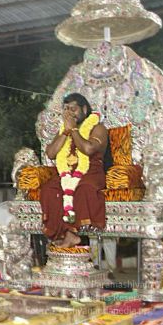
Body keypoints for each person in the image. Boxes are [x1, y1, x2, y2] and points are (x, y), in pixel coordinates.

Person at [39, 93, 108, 248]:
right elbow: (51, 153)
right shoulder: (64, 130)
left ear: (84, 109)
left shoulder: (98, 128)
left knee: (84, 189)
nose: (69, 113)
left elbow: (88, 149)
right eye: (66, 109)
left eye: (73, 109)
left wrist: (74, 130)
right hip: (66, 174)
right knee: (49, 189)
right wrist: (65, 132)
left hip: (91, 173)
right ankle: (59, 233)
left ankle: (72, 235)